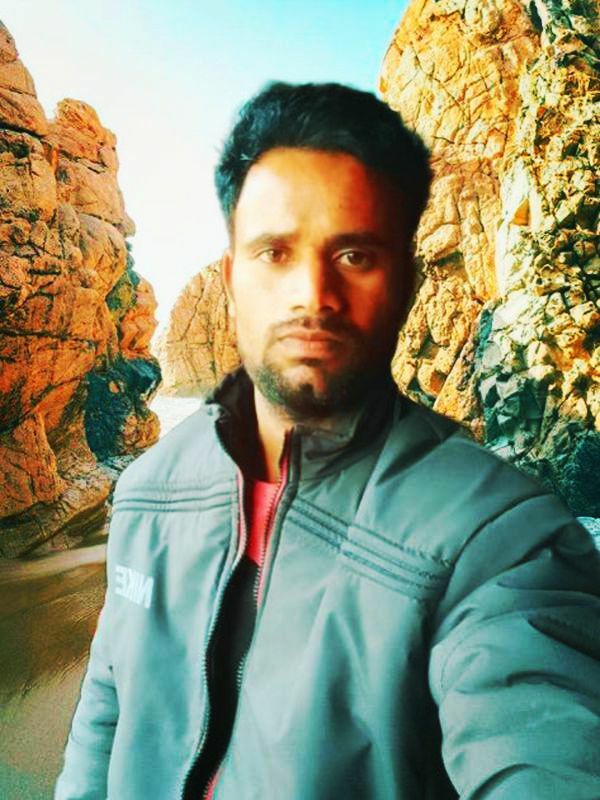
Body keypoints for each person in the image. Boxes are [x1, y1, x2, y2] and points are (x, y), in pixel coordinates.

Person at [55, 82, 600, 800]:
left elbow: (543, 731)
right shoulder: (147, 492)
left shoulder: (500, 537)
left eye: (354, 255)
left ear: (403, 284)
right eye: (276, 252)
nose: (312, 293)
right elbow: (106, 709)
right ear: (232, 281)